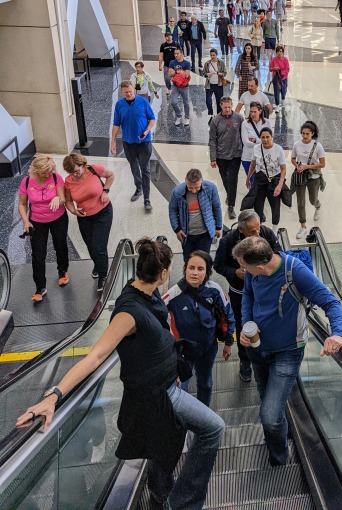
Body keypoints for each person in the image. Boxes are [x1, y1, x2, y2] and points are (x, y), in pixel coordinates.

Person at [16, 238, 225, 510]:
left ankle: (160, 493)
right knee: (213, 429)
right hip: (161, 394)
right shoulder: (128, 313)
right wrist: (54, 395)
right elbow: (96, 355)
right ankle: (183, 502)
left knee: (163, 444)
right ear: (163, 274)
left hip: (165, 382)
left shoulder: (145, 292)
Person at [236, 236, 342, 466]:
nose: (242, 270)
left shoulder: (295, 272)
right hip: (258, 349)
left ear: (260, 267)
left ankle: (279, 458)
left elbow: (331, 302)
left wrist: (338, 333)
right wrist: (246, 324)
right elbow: (248, 295)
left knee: (269, 416)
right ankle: (278, 436)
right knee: (267, 401)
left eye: (244, 266)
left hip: (288, 352)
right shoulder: (252, 273)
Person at [213, 210, 281, 382]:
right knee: (243, 325)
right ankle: (245, 361)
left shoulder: (266, 233)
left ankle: (269, 354)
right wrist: (234, 272)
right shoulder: (228, 241)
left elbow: (279, 254)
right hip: (239, 292)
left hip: (264, 290)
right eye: (253, 231)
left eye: (259, 228)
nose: (258, 233)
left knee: (267, 321)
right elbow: (218, 265)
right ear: (241, 230)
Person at [163, 250, 235, 406]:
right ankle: (185, 416)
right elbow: (155, 312)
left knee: (205, 382)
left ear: (207, 272)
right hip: (184, 352)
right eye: (191, 268)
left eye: (200, 269)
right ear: (185, 269)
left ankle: (204, 411)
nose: (194, 273)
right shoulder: (174, 294)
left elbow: (228, 314)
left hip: (208, 348)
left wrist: (229, 342)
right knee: (181, 387)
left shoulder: (214, 290)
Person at [18, 154, 69, 302]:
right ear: (35, 170)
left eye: (49, 171)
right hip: (37, 221)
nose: (47, 174)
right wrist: (25, 221)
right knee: (38, 254)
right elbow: (22, 204)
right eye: (44, 172)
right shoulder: (27, 181)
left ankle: (62, 271)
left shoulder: (56, 177)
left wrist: (58, 198)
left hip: (58, 218)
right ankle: (40, 287)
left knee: (60, 246)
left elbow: (63, 198)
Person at [63, 154, 114, 292]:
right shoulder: (68, 182)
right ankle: (98, 264)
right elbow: (68, 200)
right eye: (71, 172)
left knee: (99, 246)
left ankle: (103, 276)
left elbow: (111, 175)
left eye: (77, 170)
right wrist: (74, 211)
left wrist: (105, 191)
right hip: (84, 218)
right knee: (91, 246)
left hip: (103, 213)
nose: (75, 174)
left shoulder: (94, 169)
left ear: (82, 165)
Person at [111, 81, 155, 212]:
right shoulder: (119, 105)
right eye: (126, 92)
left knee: (145, 170)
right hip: (128, 142)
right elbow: (116, 124)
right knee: (134, 167)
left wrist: (147, 130)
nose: (129, 94)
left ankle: (147, 199)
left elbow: (152, 118)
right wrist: (113, 142)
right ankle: (138, 188)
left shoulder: (143, 102)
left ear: (133, 90)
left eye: (130, 91)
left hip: (144, 142)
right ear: (122, 92)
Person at [169, 168, 222, 258]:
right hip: (187, 235)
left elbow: (216, 207)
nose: (194, 191)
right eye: (190, 187)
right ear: (185, 180)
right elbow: (172, 210)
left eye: (197, 187)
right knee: (188, 259)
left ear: (201, 180)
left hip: (205, 234)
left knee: (203, 259)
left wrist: (218, 227)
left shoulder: (211, 188)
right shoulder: (177, 192)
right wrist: (177, 229)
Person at [209, 97, 244, 221]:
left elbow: (243, 135)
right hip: (221, 155)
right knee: (225, 179)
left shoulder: (239, 118)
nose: (228, 110)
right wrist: (213, 158)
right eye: (225, 107)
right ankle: (230, 196)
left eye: (229, 107)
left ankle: (231, 206)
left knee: (232, 180)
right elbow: (212, 140)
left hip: (236, 154)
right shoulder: (215, 121)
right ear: (221, 106)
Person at [244, 128, 287, 226]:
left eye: (268, 137)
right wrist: (248, 178)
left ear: (272, 137)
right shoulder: (256, 148)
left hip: (274, 179)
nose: (265, 139)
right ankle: (259, 227)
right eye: (263, 137)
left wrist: (279, 186)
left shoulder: (278, 149)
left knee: (275, 206)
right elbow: (253, 163)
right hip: (260, 179)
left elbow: (283, 169)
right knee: (257, 205)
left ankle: (275, 228)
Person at [291, 121, 325, 240]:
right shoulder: (297, 144)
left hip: (313, 177)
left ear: (312, 134)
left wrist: (307, 166)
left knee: (312, 199)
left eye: (307, 134)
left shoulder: (318, 146)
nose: (305, 136)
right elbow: (293, 158)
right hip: (300, 176)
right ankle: (303, 226)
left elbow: (322, 164)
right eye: (303, 133)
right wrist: (297, 165)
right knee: (300, 202)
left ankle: (318, 206)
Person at [241, 102, 272, 186]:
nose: (252, 114)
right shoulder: (245, 123)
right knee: (252, 182)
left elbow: (270, 140)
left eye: (255, 112)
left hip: (262, 157)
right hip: (248, 157)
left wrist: (255, 140)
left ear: (260, 111)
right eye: (251, 111)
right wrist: (262, 142)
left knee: (261, 182)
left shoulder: (267, 122)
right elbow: (246, 142)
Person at [203, 48, 227, 122]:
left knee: (219, 101)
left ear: (216, 55)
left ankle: (219, 115)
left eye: (214, 55)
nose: (212, 57)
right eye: (211, 55)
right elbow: (204, 73)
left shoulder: (221, 62)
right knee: (208, 100)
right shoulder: (207, 63)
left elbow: (225, 73)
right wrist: (208, 74)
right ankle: (211, 114)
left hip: (218, 84)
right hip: (209, 84)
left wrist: (219, 73)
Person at [169, 48, 191, 126]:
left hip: (184, 86)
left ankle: (187, 117)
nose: (176, 55)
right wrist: (178, 72)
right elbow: (170, 74)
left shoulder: (187, 63)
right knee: (173, 102)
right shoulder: (172, 62)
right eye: (175, 54)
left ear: (181, 54)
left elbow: (187, 74)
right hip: (175, 86)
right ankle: (179, 116)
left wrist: (175, 72)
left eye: (177, 53)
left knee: (186, 103)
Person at [159, 31, 180, 97]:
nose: (168, 37)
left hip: (176, 65)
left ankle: (176, 92)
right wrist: (160, 65)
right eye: (167, 36)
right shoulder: (163, 45)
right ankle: (169, 88)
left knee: (177, 79)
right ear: (165, 37)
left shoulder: (176, 44)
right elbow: (161, 55)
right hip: (167, 65)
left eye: (169, 35)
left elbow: (180, 54)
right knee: (167, 79)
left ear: (172, 36)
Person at [269, 45, 290, 112]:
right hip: (276, 78)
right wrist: (274, 68)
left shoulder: (285, 60)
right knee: (276, 92)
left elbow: (287, 69)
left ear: (283, 52)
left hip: (283, 78)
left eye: (281, 51)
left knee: (283, 91)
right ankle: (277, 105)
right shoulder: (274, 59)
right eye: (278, 51)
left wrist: (281, 72)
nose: (279, 53)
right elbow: (270, 69)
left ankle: (283, 99)